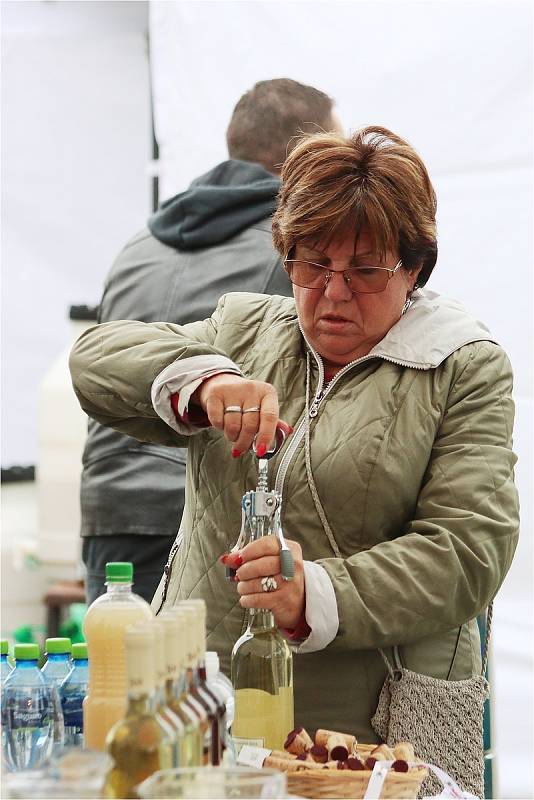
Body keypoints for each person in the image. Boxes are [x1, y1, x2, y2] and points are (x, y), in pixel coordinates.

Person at [70, 125, 519, 739]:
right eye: (313, 264)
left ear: (413, 269)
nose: (334, 294)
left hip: (365, 728)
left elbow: (469, 550)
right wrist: (203, 383)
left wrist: (314, 591)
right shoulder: (244, 331)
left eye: (364, 270)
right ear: (287, 256)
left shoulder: (460, 366)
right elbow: (94, 360)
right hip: (207, 704)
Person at [80, 78, 339, 604]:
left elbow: (103, 352)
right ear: (305, 156)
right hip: (206, 516)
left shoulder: (138, 244)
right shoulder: (293, 255)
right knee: (211, 686)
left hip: (110, 508)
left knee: (124, 681)